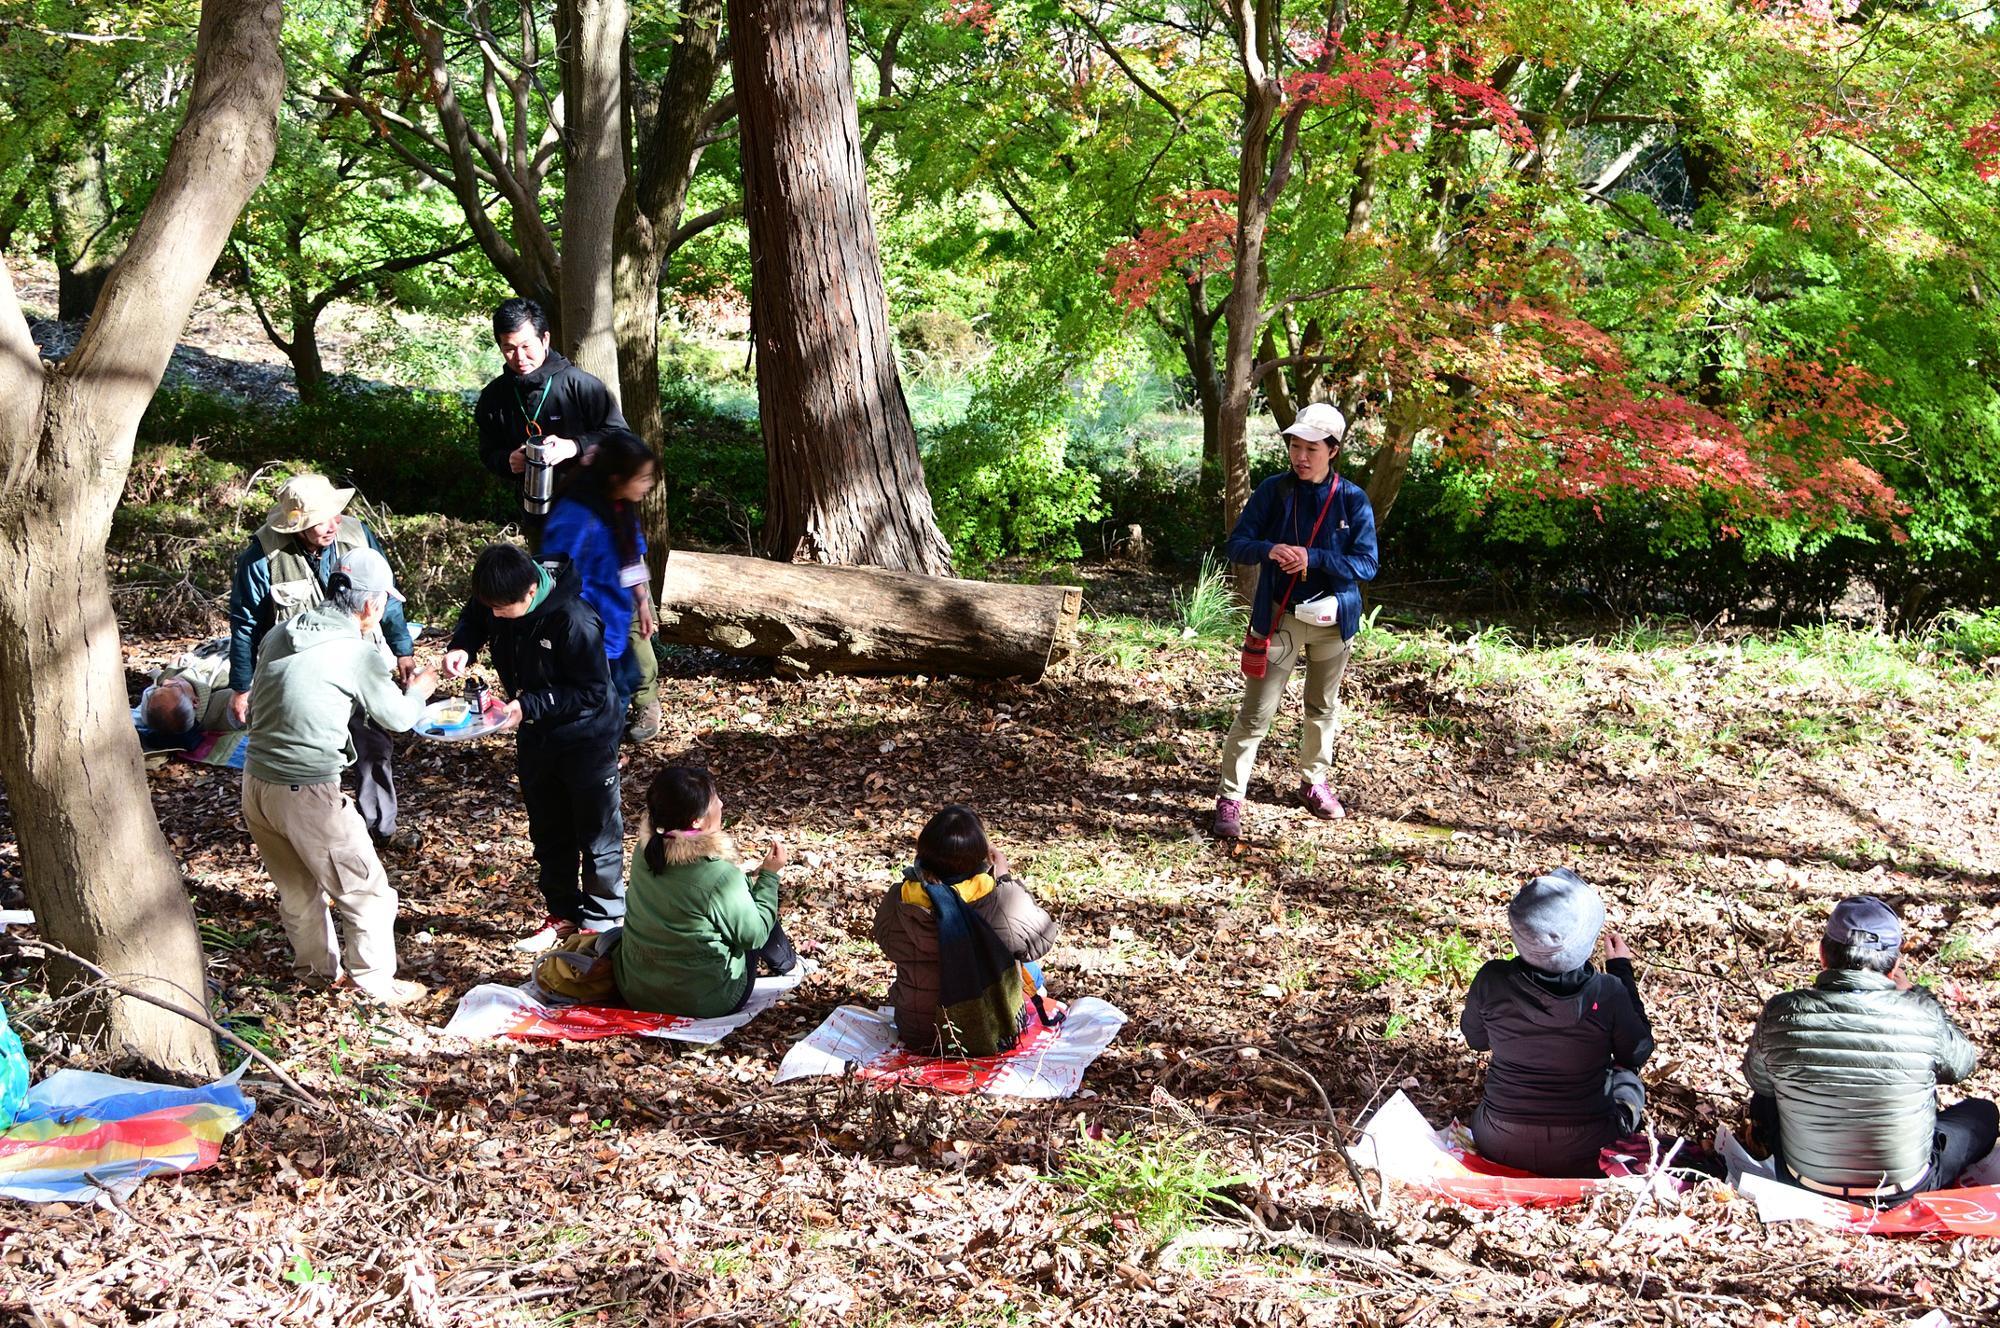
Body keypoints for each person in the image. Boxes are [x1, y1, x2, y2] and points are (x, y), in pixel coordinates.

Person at [241, 547, 437, 1005]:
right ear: (371, 606)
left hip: (255, 783)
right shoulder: (356, 652)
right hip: (306, 790)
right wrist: (420, 691)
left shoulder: (283, 630)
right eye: (386, 602)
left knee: (297, 891)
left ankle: (314, 974)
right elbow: (398, 718)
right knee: (366, 893)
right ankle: (373, 985)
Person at [475, 299, 659, 741]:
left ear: (545, 338)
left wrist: (573, 446)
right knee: (561, 608)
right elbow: (487, 453)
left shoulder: (580, 386)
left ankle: (642, 701)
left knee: (624, 614)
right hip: (545, 520)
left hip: (601, 515)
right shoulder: (497, 397)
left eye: (524, 346)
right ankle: (574, 693)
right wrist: (510, 460)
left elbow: (621, 436)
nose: (517, 357)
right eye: (507, 348)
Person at [1743, 895, 1997, 1206]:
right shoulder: (1922, 1013)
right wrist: (1916, 995)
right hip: (1905, 1191)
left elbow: (1758, 1081)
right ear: (1894, 965)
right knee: (1983, 1113)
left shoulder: (1782, 1011)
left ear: (1823, 954)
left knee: (1770, 1086)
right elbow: (1961, 1066)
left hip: (1803, 1183)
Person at [444, 543, 626, 952]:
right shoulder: (499, 599)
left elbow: (592, 692)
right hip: (535, 733)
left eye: (502, 608)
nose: (495, 615)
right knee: (548, 828)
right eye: (489, 605)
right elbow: (476, 616)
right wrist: (462, 645)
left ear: (531, 592)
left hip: (587, 737)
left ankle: (603, 919)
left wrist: (527, 705)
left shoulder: (574, 621)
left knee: (597, 833)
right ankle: (562, 914)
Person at [1211, 402, 1378, 839]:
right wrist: (1269, 549)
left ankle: (1314, 783)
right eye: (1295, 446)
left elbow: (1366, 564)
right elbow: (1238, 545)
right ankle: (1231, 797)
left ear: (1334, 450)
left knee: (1322, 707)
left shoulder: (1352, 499)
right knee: (1255, 713)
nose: (1301, 457)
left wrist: (1313, 557)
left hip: (1334, 621)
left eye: (1312, 449)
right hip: (1280, 616)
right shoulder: (1274, 491)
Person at [228, 474, 419, 851]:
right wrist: (242, 685)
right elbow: (245, 624)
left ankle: (378, 828)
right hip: (301, 675)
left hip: (358, 661)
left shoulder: (357, 534)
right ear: (295, 524)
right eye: (320, 519)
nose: (333, 524)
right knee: (307, 755)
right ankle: (312, 831)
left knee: (373, 746)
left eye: (336, 514)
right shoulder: (262, 555)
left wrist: (402, 648)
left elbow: (385, 595)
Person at [1460, 869, 1654, 1177]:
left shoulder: (1491, 980)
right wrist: (1622, 972)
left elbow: (1477, 1039)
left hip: (1499, 1140)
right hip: (1589, 1148)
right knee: (1627, 1080)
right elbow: (1637, 1052)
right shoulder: (1607, 991)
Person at [609, 765, 797, 1017]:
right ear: (696, 821)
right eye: (714, 800)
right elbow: (754, 936)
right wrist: (770, 875)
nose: (721, 803)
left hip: (636, 989)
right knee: (758, 903)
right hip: (706, 999)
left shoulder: (645, 851)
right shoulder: (719, 877)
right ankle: (787, 963)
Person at [873, 805, 1061, 1055]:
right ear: (981, 857)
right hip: (991, 1030)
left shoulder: (901, 898)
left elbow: (886, 941)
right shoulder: (997, 898)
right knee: (1032, 971)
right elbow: (1041, 939)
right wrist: (1005, 879)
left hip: (919, 1033)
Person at [540, 428, 660, 736]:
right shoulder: (576, 516)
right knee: (601, 704)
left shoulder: (619, 505)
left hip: (616, 623)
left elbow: (631, 557)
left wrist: (642, 603)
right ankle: (598, 761)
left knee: (621, 689)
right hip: (588, 633)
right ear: (616, 477)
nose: (649, 485)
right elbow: (556, 576)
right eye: (643, 478)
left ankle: (607, 753)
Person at [135, 639, 237, 752]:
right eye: (174, 686)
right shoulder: (223, 695)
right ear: (195, 702)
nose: (166, 682)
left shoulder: (172, 687)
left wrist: (173, 665)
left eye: (160, 687)